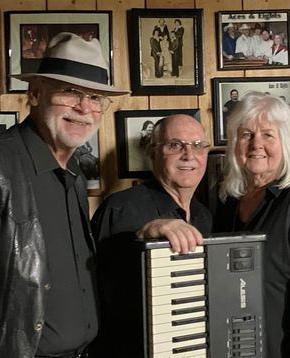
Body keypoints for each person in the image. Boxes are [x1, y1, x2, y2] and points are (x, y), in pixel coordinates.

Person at [0, 32, 128, 358]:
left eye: (96, 97)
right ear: (36, 93)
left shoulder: (74, 178)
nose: (84, 107)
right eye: (70, 92)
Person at [214, 92, 290, 357]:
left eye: (268, 135)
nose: (256, 144)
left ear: (286, 143)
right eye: (246, 134)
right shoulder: (227, 204)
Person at [91, 114, 212, 356]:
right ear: (152, 152)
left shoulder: (204, 216)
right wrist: (144, 236)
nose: (189, 155)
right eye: (175, 145)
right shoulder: (122, 206)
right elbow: (101, 286)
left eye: (198, 146)